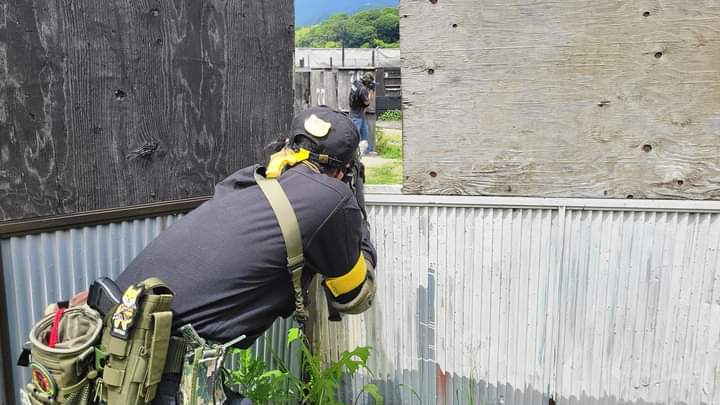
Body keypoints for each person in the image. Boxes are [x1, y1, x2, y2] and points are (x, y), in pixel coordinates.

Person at [52, 106, 377, 404]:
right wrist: (357, 219)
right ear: (341, 171)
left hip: (111, 357)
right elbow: (354, 297)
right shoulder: (332, 197)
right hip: (157, 379)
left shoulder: (247, 180)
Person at [349, 72, 375, 154]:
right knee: (356, 135)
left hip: (358, 113)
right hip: (356, 115)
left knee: (365, 133)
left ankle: (367, 151)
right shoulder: (363, 90)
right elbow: (368, 102)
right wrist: (371, 90)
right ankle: (354, 153)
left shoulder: (356, 83)